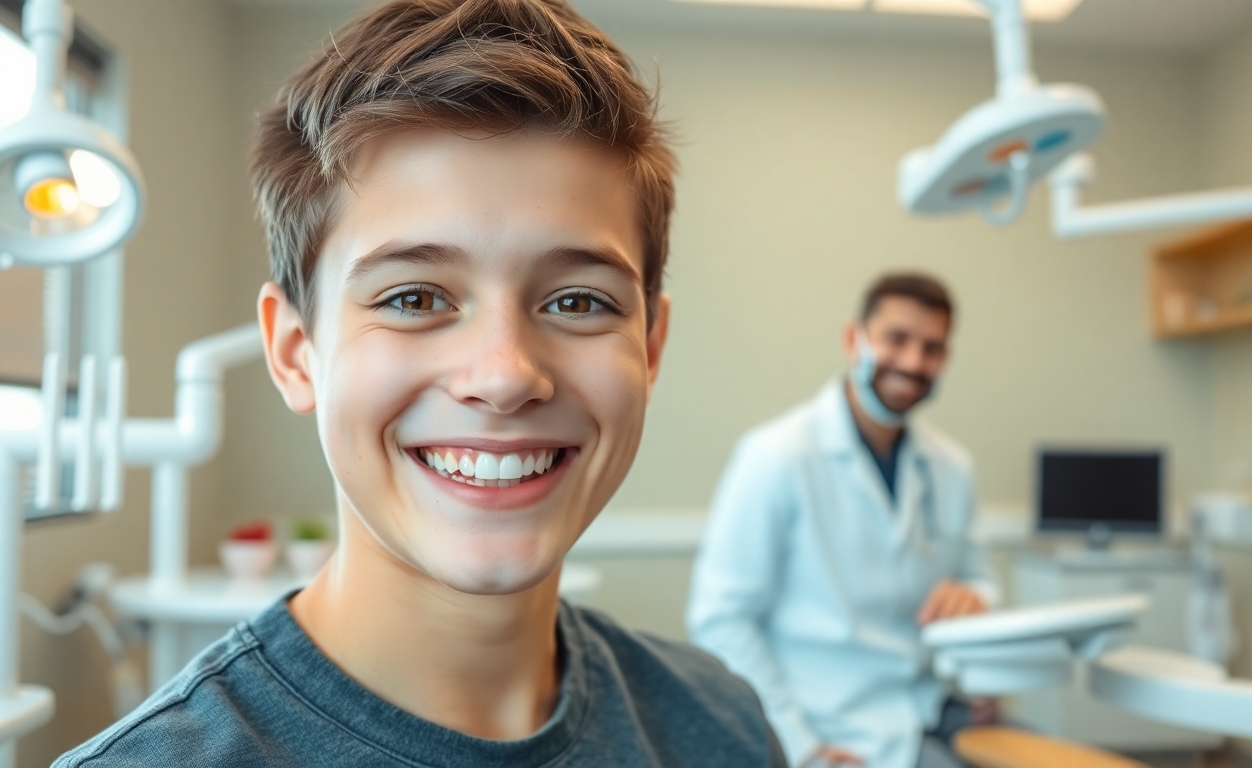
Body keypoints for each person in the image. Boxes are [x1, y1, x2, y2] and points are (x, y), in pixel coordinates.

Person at [55, 2, 785, 766]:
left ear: (651, 345)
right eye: (414, 298)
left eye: (576, 302)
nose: (504, 376)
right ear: (295, 352)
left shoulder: (721, 727)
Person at [687, 273, 998, 768]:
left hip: (936, 705)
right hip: (832, 725)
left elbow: (979, 579)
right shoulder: (777, 457)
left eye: (932, 348)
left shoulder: (951, 467)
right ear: (854, 340)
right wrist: (795, 745)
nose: (914, 362)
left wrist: (977, 600)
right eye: (897, 339)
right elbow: (722, 620)